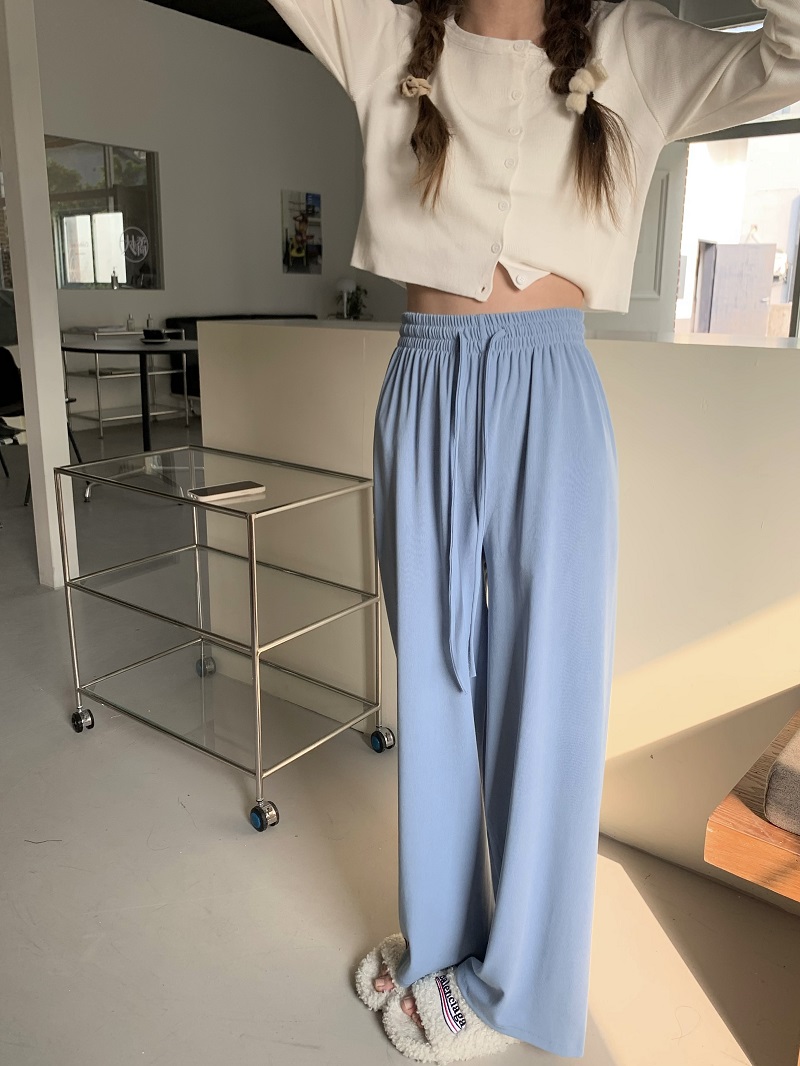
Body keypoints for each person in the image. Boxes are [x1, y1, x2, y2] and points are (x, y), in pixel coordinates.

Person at [265, 0, 800, 1060]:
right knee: (435, 683)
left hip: (547, 394)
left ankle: (520, 988)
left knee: (548, 697)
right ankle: (444, 942)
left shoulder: (632, 47)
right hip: (421, 386)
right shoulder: (382, 34)